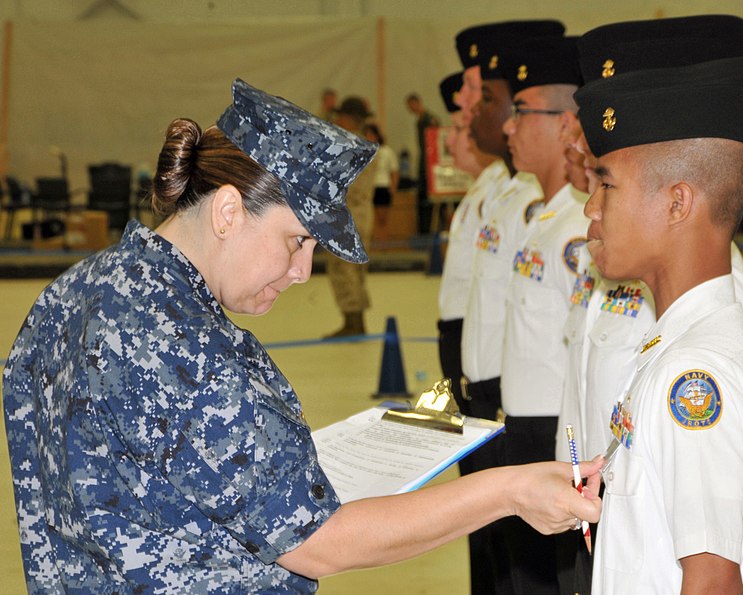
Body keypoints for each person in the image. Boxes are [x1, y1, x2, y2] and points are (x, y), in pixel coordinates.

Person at [3, 78, 603, 593]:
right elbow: (317, 542)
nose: (302, 272)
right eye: (297, 241)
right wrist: (510, 489)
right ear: (229, 211)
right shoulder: (188, 347)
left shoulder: (78, 290)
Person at [558, 16, 743, 594]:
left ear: (678, 204)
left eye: (608, 186)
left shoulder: (696, 376)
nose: (590, 209)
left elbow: (711, 581)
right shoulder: (673, 345)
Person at [495, 36, 589, 595]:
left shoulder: (580, 228)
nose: (508, 127)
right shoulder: (545, 216)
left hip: (558, 435)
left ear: (563, 124)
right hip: (525, 429)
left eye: (521, 113)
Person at [436, 70, 498, 418]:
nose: (452, 141)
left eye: (460, 129)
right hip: (462, 331)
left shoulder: (502, 192)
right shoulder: (482, 189)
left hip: (475, 335)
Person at [324, 95, 377, 337]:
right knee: (352, 269)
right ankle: (354, 320)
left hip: (349, 213)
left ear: (349, 118)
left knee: (343, 268)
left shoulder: (351, 146)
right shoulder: (364, 143)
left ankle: (353, 321)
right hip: (360, 212)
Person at [405, 92, 440, 235]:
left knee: (428, 197)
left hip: (430, 161)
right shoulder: (419, 120)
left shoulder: (428, 119)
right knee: (422, 197)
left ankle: (429, 229)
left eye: (411, 105)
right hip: (423, 160)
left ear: (417, 103)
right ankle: (423, 229)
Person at [363, 122, 399, 245]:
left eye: (371, 134)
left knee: (382, 217)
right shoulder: (364, 151)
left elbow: (394, 170)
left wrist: (393, 187)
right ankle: (374, 242)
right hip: (369, 188)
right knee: (370, 216)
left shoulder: (386, 151)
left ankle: (384, 241)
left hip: (383, 185)